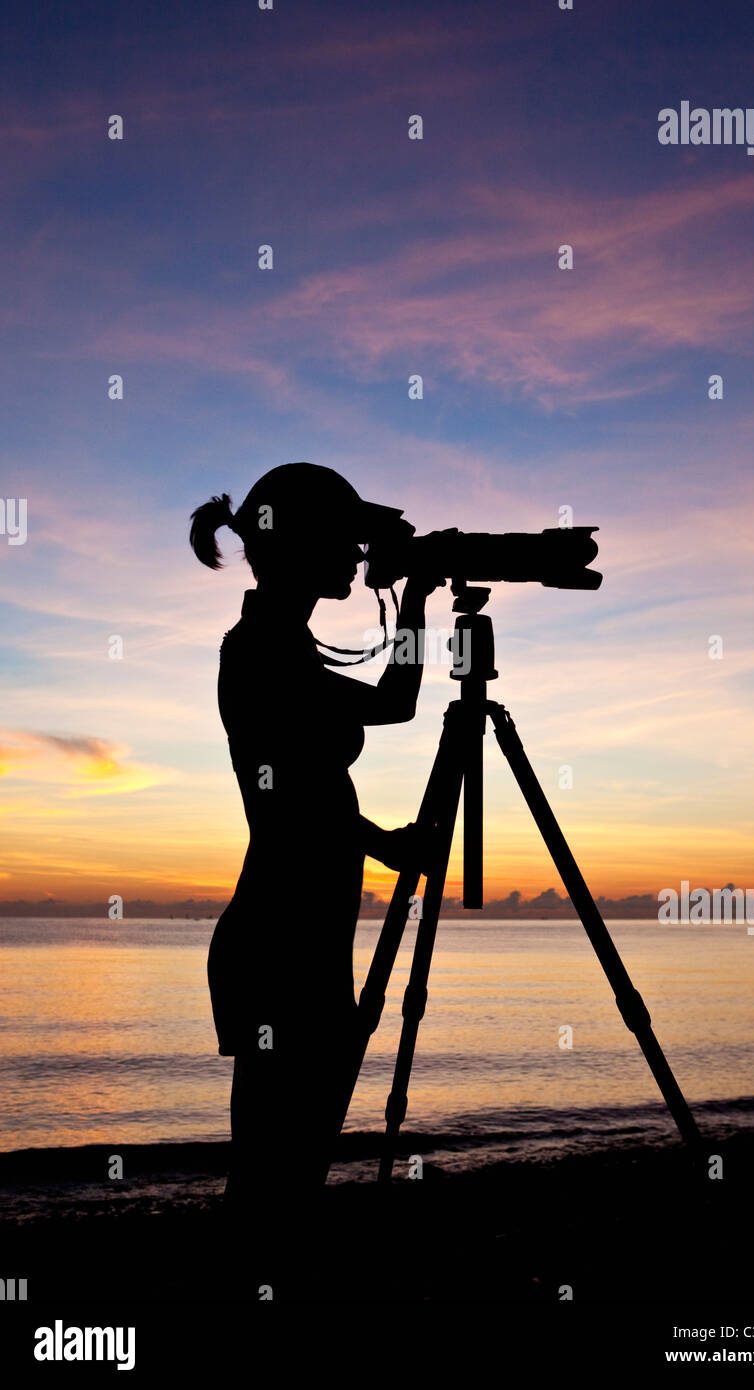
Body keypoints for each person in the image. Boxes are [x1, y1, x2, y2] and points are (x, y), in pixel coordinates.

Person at [190, 462, 441, 1216]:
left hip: (299, 933)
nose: (358, 559)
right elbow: (386, 716)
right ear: (300, 546)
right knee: (274, 1174)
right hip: (281, 940)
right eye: (345, 542)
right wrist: (418, 600)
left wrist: (374, 843)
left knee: (287, 1171)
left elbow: (322, 774)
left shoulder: (283, 645)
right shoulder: (260, 649)